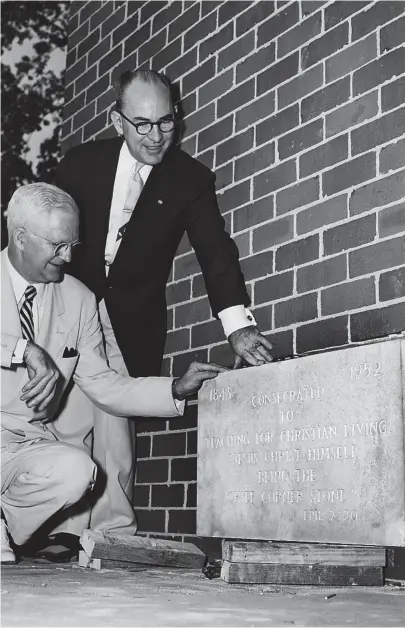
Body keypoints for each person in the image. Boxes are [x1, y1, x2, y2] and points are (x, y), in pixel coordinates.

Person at [54, 69, 274, 541]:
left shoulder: (190, 178)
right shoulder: (78, 165)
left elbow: (215, 251)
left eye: (166, 123)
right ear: (117, 121)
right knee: (64, 416)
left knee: (115, 428)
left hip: (130, 314)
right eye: (142, 124)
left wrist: (238, 327)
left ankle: (112, 535)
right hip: (69, 303)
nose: (156, 136)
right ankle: (61, 532)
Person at [0, 182, 226, 564]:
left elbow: (105, 387)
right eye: (58, 245)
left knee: (78, 472)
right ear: (20, 238)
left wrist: (176, 387)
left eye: (73, 245)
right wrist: (22, 348)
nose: (68, 257)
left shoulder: (79, 298)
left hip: (21, 447)